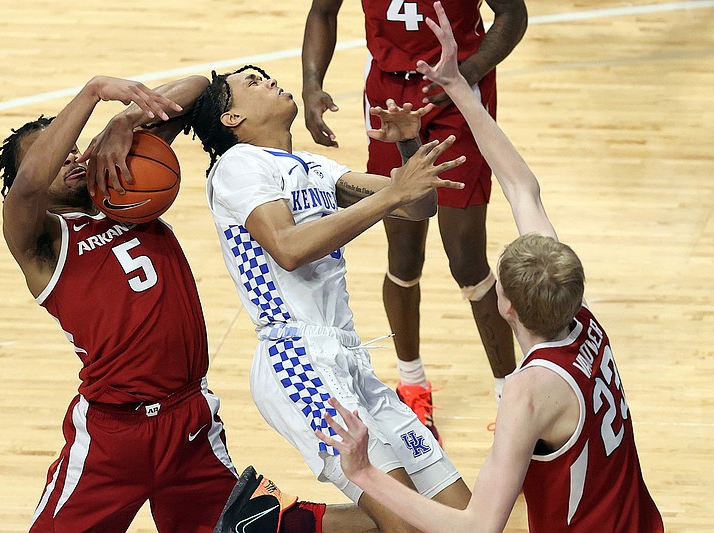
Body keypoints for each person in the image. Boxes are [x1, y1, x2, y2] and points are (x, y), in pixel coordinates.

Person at [316, 4, 664, 531]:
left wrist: (365, 474)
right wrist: (458, 85)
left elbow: (478, 527)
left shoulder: (529, 393)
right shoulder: (583, 324)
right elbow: (522, 186)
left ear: (506, 306)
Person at [165, 62, 474, 533]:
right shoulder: (237, 166)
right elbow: (288, 249)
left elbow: (417, 205)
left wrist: (407, 146)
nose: (269, 80)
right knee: (409, 525)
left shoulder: (313, 166)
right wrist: (391, 194)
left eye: (264, 74)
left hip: (348, 356)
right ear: (232, 120)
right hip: (296, 360)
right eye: (252, 82)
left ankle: (273, 524)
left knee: (462, 518)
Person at [0, 74, 244, 533]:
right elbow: (28, 186)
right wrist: (93, 91)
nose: (68, 158)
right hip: (113, 435)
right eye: (53, 153)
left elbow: (199, 88)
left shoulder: (123, 188)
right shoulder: (40, 241)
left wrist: (125, 121)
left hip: (190, 420)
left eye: (70, 150)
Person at [302, 0, 528, 442]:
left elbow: (512, 13)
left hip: (456, 90)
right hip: (388, 95)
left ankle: (512, 398)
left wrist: (471, 69)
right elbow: (323, 11)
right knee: (403, 255)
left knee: (466, 260)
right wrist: (312, 85)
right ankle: (411, 385)